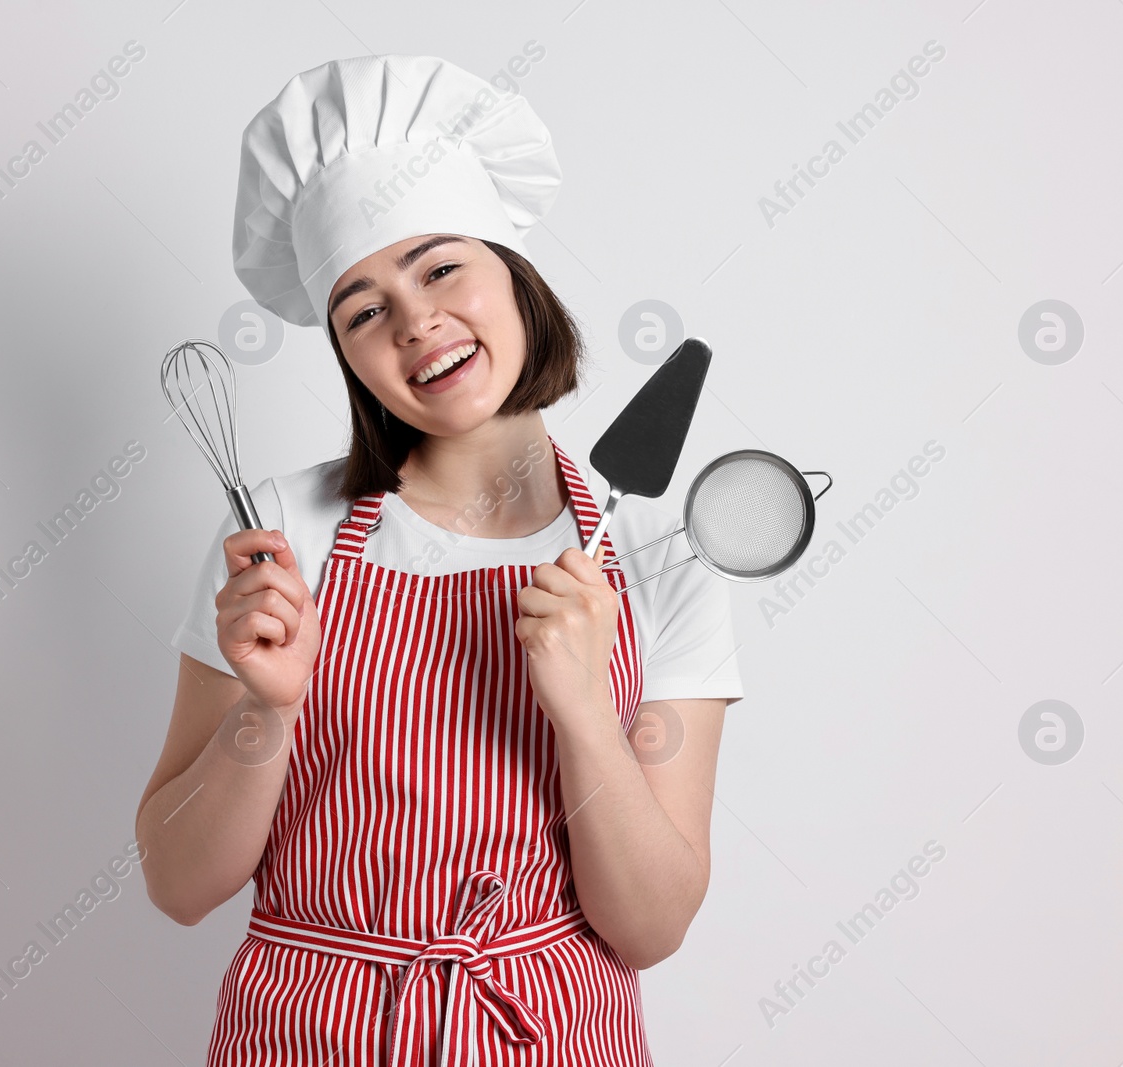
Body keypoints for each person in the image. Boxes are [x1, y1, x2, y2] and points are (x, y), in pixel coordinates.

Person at [135, 54, 744, 1066]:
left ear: (514, 271)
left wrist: (584, 711)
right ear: (349, 357)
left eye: (439, 264)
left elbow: (650, 926)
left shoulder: (654, 553)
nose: (414, 320)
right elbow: (178, 883)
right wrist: (268, 705)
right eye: (363, 309)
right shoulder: (280, 537)